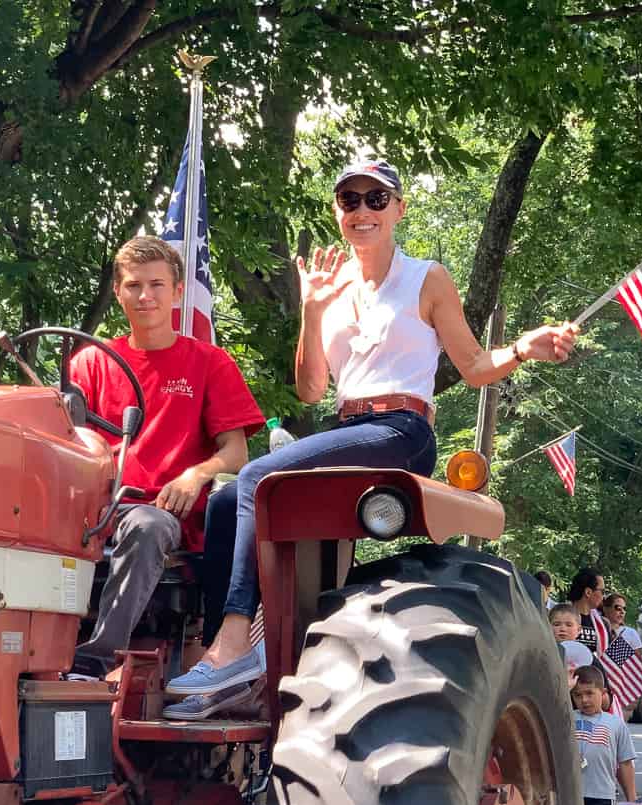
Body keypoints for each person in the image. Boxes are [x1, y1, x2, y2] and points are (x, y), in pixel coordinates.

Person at [166, 158, 577, 700]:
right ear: (339, 211)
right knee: (223, 505)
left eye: (376, 199)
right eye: (350, 200)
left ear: (398, 210)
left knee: (257, 477)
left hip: (402, 429)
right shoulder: (327, 286)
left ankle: (236, 640)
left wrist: (525, 348)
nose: (362, 210)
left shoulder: (425, 278)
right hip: (349, 425)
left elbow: (474, 366)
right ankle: (218, 647)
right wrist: (312, 313)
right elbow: (312, 390)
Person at [67, 236, 263, 682]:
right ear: (118, 292)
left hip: (161, 515)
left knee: (147, 525)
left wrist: (196, 474)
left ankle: (92, 665)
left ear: (177, 292)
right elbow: (62, 439)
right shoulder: (91, 362)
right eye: (134, 285)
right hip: (94, 511)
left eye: (156, 284)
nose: (145, 296)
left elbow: (236, 453)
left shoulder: (209, 363)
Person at [572, 665, 638, 805]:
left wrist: (632, 799)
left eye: (590, 693)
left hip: (600, 795)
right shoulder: (566, 719)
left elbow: (625, 764)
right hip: (571, 796)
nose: (585, 700)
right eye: (578, 695)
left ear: (604, 694)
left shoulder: (615, 724)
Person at [565, 568, 608, 653]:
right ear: (588, 592)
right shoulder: (559, 616)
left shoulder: (604, 624)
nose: (604, 596)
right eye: (602, 591)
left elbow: (612, 660)